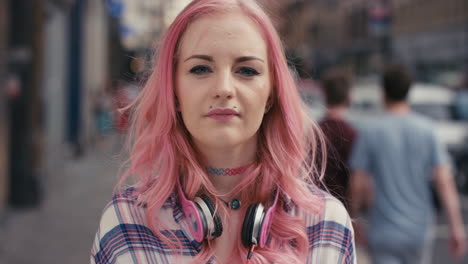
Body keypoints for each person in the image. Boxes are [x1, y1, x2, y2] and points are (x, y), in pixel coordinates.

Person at [90, 0, 356, 263]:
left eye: (247, 70)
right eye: (201, 69)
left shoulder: (327, 225)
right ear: (174, 92)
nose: (224, 88)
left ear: (271, 94)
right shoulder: (125, 224)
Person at [349, 64, 466, 264]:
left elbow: (357, 183)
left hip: (383, 230)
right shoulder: (427, 130)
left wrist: (354, 220)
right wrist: (456, 226)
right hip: (419, 228)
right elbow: (444, 181)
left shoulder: (371, 132)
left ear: (383, 92)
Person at [318, 70, 357, 211]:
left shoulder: (313, 132)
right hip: (342, 210)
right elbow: (356, 180)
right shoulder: (352, 134)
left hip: (314, 207)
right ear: (348, 98)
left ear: (325, 96)